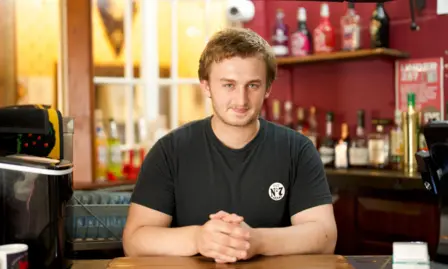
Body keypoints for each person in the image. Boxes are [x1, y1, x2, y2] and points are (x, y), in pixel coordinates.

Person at [123, 27, 337, 263]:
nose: (241, 100)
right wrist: (198, 239)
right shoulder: (169, 151)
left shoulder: (297, 150)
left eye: (253, 85)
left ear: (268, 88)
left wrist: (256, 241)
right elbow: (134, 241)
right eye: (229, 85)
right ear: (206, 86)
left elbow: (325, 237)